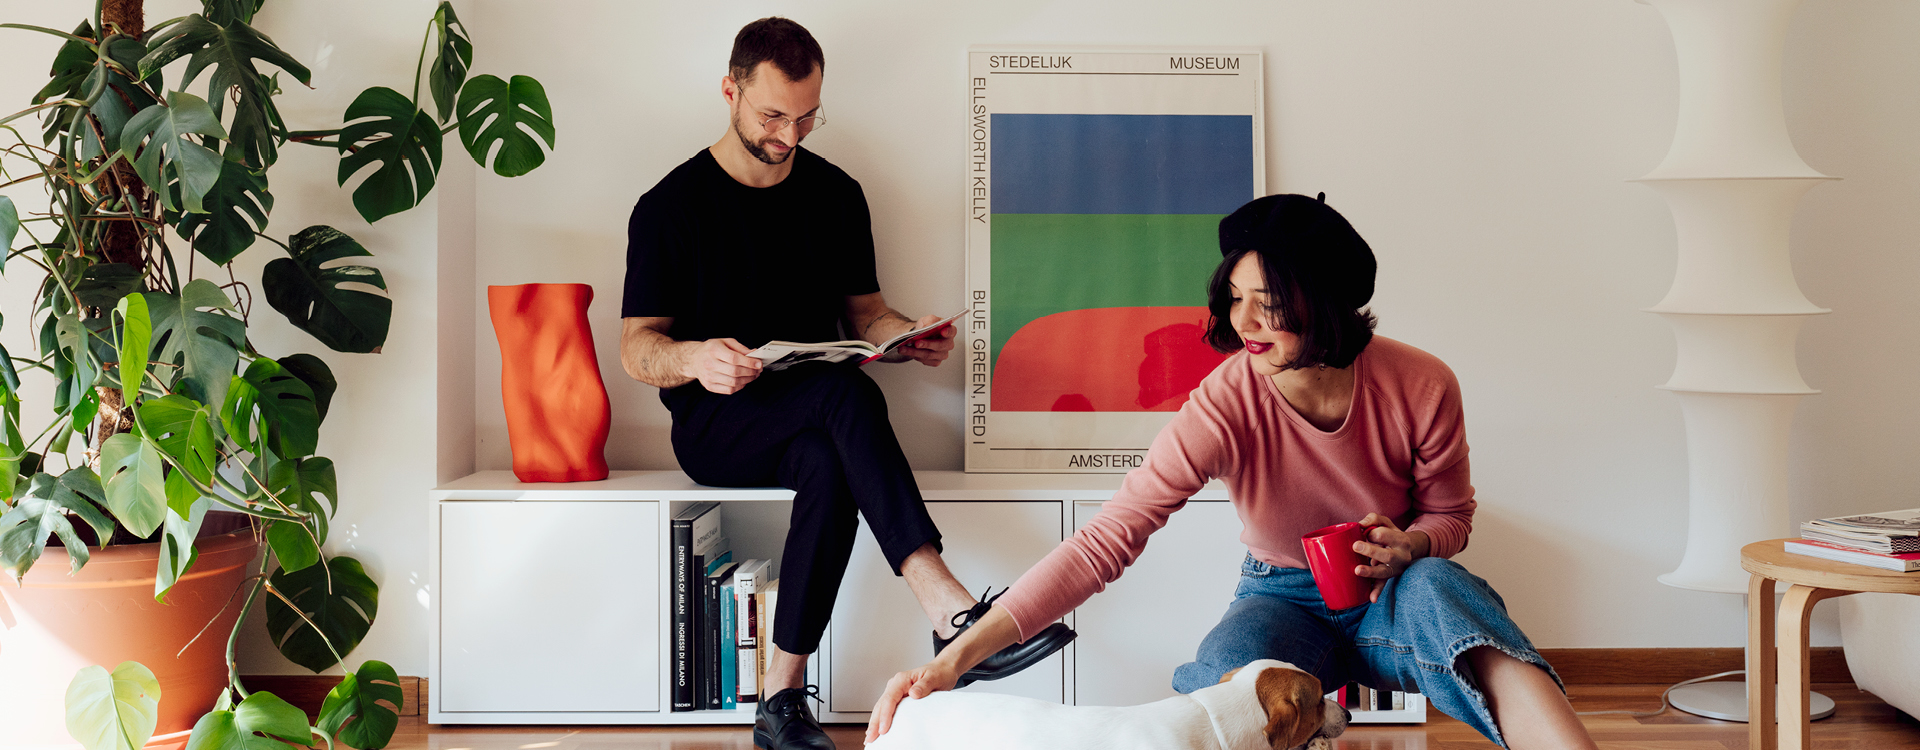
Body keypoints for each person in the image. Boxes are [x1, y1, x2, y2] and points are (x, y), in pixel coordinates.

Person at [865, 194, 1600, 750]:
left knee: (1453, 602)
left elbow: (1452, 517)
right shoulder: (1223, 404)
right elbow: (1106, 540)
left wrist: (1413, 546)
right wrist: (950, 664)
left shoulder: (1422, 383)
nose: (1244, 323)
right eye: (1236, 299)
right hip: (1279, 594)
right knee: (1225, 671)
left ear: (1328, 305)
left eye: (1270, 306)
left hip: (1397, 589)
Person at [618, 17, 1074, 750]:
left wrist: (904, 337)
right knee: (847, 394)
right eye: (772, 115)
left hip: (816, 419)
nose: (789, 135)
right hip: (719, 425)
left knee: (832, 453)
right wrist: (696, 357)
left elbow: (865, 316)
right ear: (730, 91)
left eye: (806, 116)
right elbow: (637, 348)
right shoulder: (671, 208)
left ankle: (781, 702)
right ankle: (948, 605)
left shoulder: (835, 194)